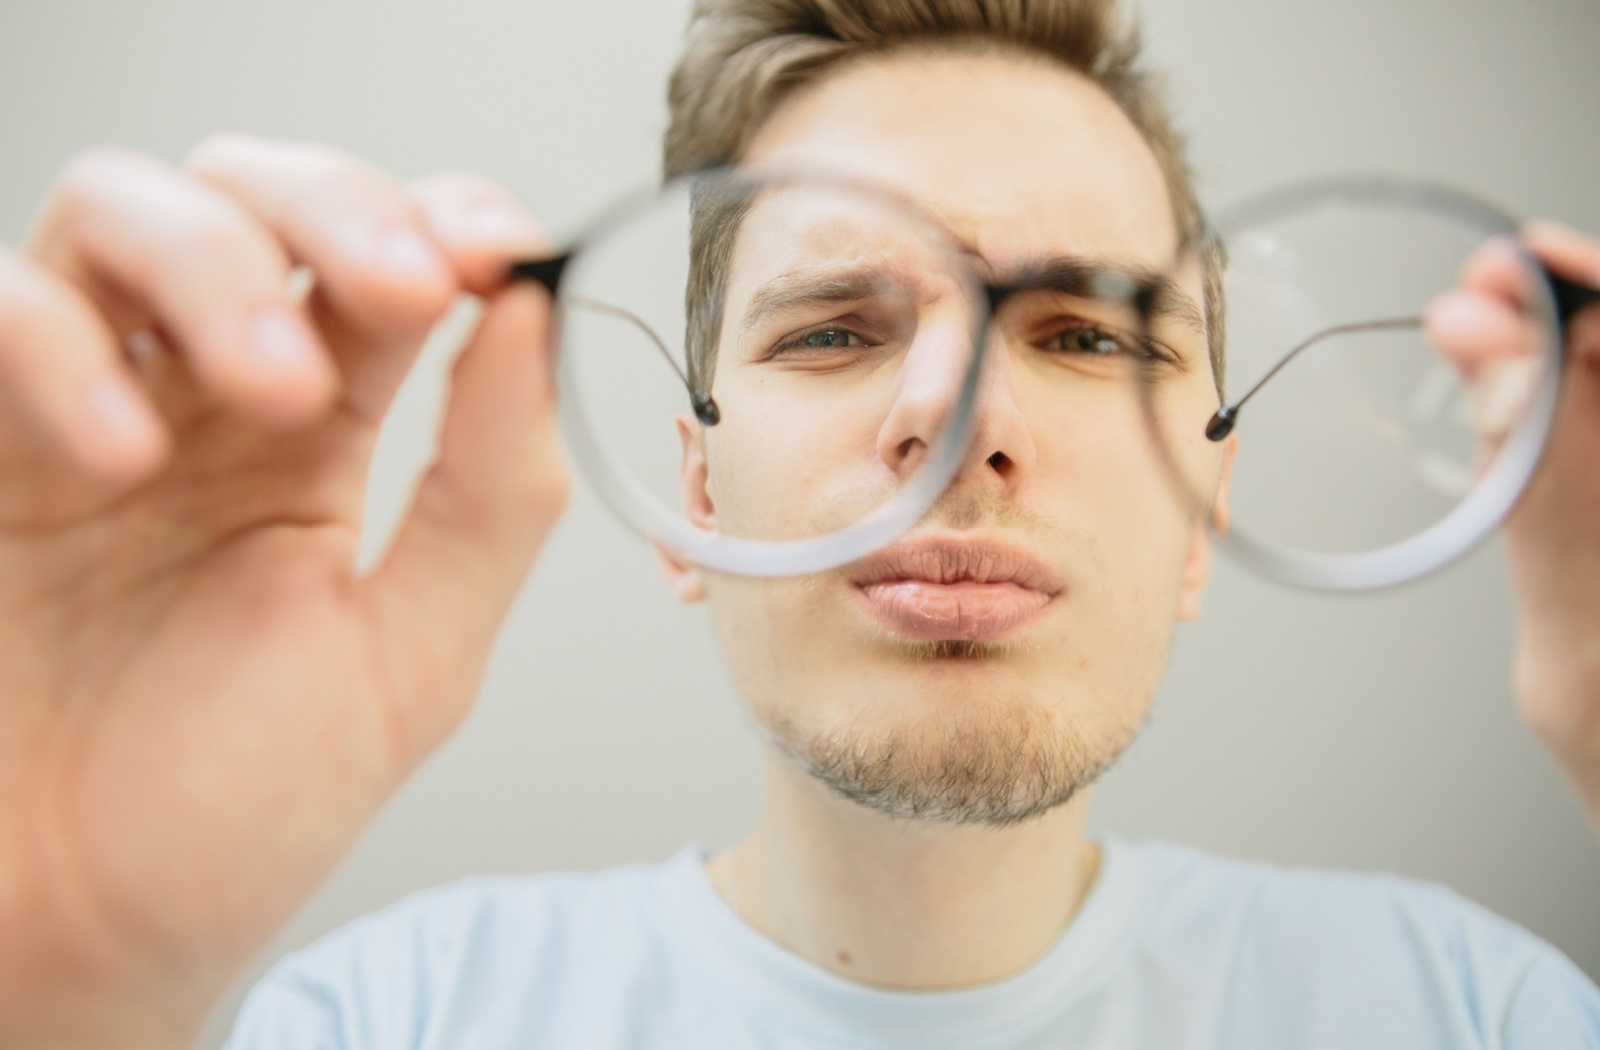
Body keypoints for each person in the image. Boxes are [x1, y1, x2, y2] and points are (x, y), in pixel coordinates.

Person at [0, 0, 1596, 1046]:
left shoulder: (1473, 1008)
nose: (962, 420)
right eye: (834, 330)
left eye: (1087, 336)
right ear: (695, 499)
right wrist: (56, 979)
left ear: (1207, 512)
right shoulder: (380, 1019)